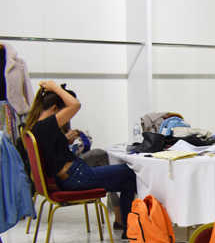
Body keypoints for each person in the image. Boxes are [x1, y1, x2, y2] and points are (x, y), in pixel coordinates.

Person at [22, 81, 136, 235]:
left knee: (127, 181)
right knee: (130, 171)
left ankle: (127, 228)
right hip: (76, 177)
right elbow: (75, 104)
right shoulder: (46, 125)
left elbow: (51, 153)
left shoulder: (36, 127)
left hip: (70, 176)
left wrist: (64, 140)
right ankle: (132, 227)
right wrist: (55, 87)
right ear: (55, 108)